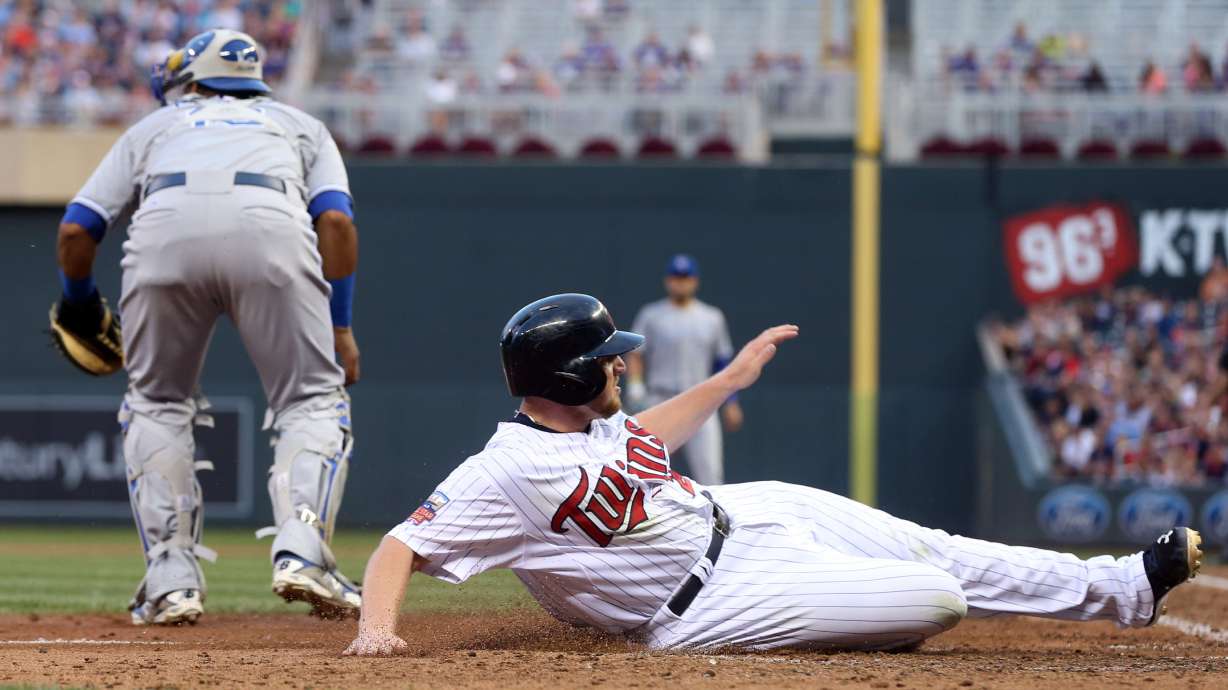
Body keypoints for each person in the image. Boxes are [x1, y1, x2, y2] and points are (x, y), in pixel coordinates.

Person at [342, 293, 1203, 655]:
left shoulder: (601, 427)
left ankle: (1126, 587)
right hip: (703, 605)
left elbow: (647, 432)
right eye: (606, 361)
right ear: (566, 377)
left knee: (934, 546)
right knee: (933, 596)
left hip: (744, 513)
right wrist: (376, 630)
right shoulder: (505, 470)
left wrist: (727, 381)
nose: (619, 369)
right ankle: (854, 609)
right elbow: (398, 547)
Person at [52, 29, 362, 625]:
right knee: (313, 398)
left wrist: (78, 300)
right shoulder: (300, 125)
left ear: (188, 80)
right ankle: (302, 551)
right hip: (272, 227)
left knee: (157, 403)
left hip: (163, 231)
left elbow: (75, 229)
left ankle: (170, 579)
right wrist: (340, 326)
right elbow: (337, 225)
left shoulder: (156, 126)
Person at [626, 255, 741, 485]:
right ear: (668, 281)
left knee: (711, 474)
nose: (681, 283)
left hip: (701, 399)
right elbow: (636, 353)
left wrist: (731, 401)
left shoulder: (712, 317)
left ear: (695, 281)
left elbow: (722, 361)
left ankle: (714, 521)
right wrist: (635, 386)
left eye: (686, 277)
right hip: (660, 398)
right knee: (646, 471)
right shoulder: (651, 314)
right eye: (676, 277)